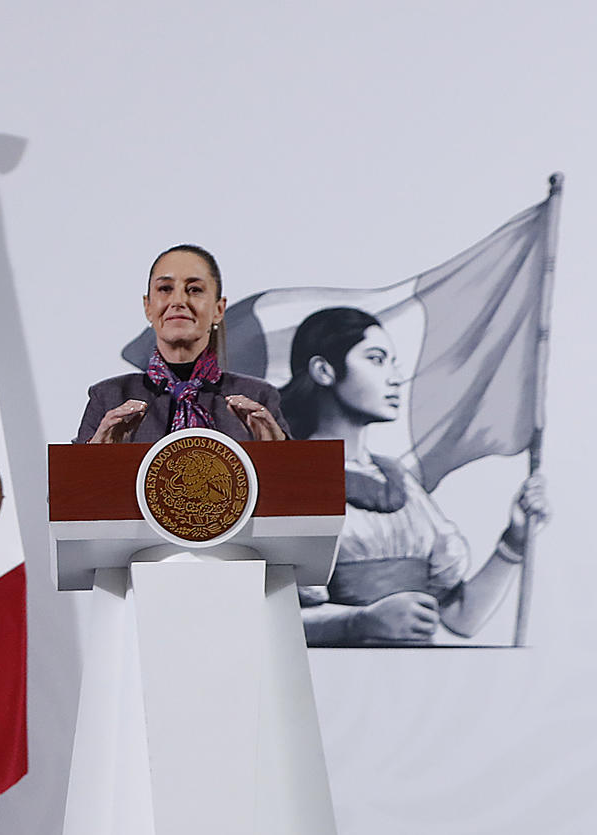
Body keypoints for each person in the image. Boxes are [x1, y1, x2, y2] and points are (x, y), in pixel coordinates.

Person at [278, 306, 548, 646]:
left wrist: (515, 540)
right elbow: (268, 621)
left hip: (415, 687)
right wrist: (359, 622)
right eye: (376, 360)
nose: (394, 377)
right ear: (323, 370)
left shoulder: (400, 481)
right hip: (335, 686)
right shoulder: (289, 476)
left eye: (393, 363)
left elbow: (461, 618)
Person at [75, 244, 289, 445]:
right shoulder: (108, 398)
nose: (178, 301)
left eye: (194, 289)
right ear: (148, 307)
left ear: (219, 310)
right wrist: (95, 456)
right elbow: (73, 482)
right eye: (165, 288)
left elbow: (297, 479)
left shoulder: (258, 398)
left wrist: (277, 453)